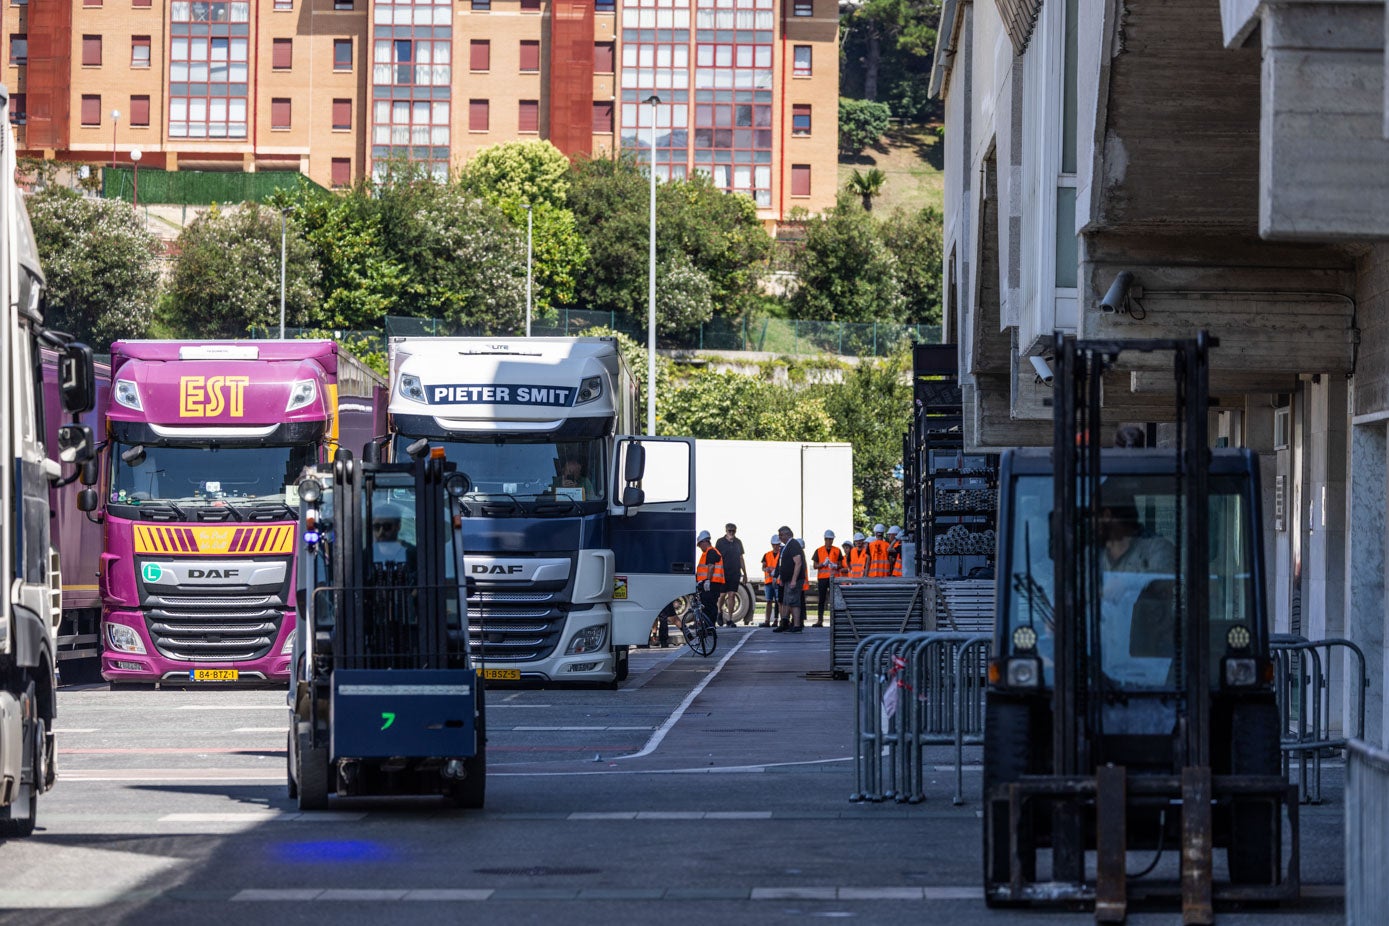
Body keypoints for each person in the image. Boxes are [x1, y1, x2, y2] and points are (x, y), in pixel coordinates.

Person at [715, 523, 747, 627]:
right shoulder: (720, 542)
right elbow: (716, 558)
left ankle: (729, 619)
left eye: (733, 531)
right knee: (722, 595)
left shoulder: (738, 542)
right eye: (730, 531)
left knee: (732, 595)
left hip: (735, 573)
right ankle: (719, 612)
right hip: (723, 573)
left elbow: (741, 558)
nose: (732, 532)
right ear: (726, 531)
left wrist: (745, 573)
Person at [772, 525, 804, 633]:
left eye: (781, 535)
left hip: (793, 579)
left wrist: (794, 579)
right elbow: (782, 563)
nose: (780, 537)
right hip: (786, 579)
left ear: (787, 534)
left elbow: (798, 562)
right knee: (785, 601)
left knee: (794, 601)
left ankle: (797, 625)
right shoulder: (786, 546)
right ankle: (784, 622)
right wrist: (781, 577)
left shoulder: (793, 544)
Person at [694, 529, 725, 632]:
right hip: (710, 583)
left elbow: (711, 567)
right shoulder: (708, 552)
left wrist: (707, 580)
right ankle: (708, 627)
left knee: (709, 606)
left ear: (704, 542)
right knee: (707, 606)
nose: (699, 547)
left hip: (712, 584)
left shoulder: (711, 552)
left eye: (699, 545)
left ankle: (710, 627)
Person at [811, 529, 842, 627]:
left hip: (833, 578)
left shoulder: (837, 550)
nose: (830, 541)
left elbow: (841, 563)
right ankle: (820, 620)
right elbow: (815, 565)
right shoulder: (819, 550)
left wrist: (835, 565)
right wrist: (822, 564)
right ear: (825, 539)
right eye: (828, 539)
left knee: (834, 599)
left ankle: (835, 620)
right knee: (822, 600)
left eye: (831, 539)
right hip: (823, 578)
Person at [760, 534, 782, 627]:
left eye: (777, 544)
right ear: (772, 544)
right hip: (769, 581)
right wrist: (767, 569)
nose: (776, 546)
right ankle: (767, 621)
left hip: (778, 581)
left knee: (779, 601)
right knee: (769, 601)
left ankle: (780, 620)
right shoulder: (767, 555)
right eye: (774, 544)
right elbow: (763, 567)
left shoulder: (782, 554)